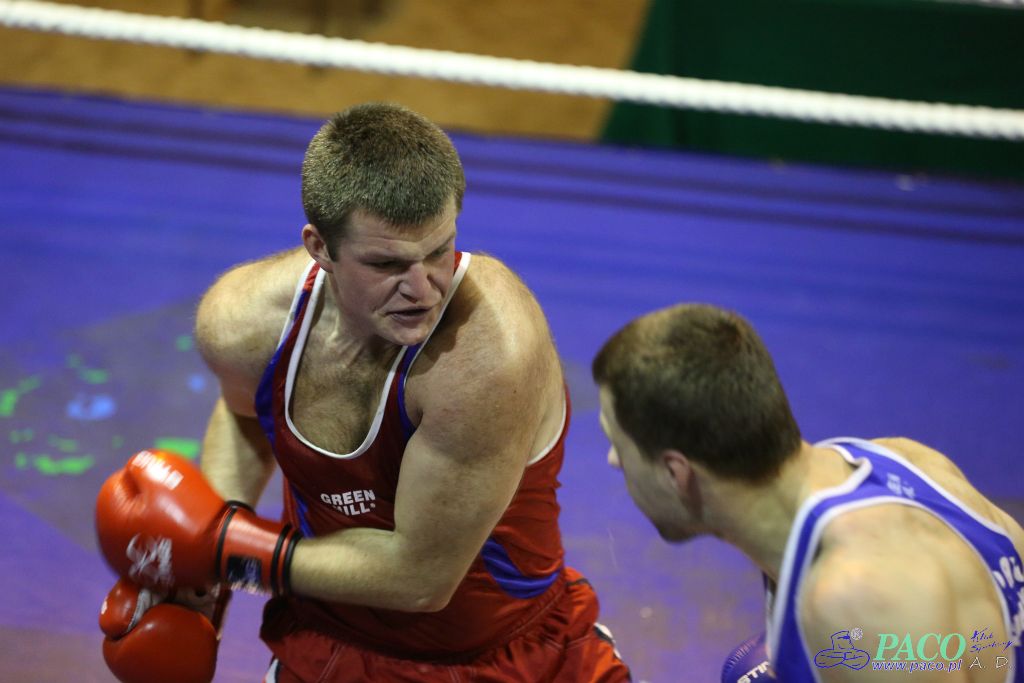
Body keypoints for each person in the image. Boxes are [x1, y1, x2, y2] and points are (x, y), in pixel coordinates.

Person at [95, 103, 631, 683]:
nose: (423, 289)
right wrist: (202, 577)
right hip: (325, 648)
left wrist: (225, 550)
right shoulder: (245, 324)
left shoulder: (487, 355)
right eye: (387, 263)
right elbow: (245, 413)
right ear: (319, 248)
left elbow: (421, 578)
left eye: (439, 251)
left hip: (508, 660)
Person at [591, 303, 1023, 682]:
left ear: (675, 472)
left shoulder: (857, 602)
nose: (613, 460)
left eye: (618, 444)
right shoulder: (902, 459)